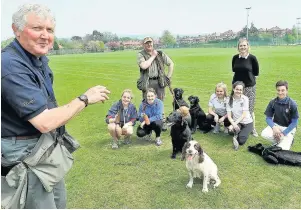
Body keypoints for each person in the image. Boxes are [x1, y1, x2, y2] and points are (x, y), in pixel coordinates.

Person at [1, 4, 110, 209]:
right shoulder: (10, 65)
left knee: (59, 204)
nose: (45, 35)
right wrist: (85, 99)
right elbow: (44, 121)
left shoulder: (36, 59)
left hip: (43, 150)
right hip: (26, 155)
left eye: (49, 30)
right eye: (37, 28)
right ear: (16, 30)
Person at [137, 36, 174, 131]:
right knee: (147, 102)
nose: (149, 44)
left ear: (153, 43)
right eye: (147, 43)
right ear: (143, 44)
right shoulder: (141, 54)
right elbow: (144, 66)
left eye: (150, 42)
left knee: (160, 102)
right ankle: (147, 122)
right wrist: (153, 55)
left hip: (160, 81)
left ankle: (162, 122)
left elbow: (171, 64)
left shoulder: (160, 53)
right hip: (147, 82)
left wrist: (168, 77)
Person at [231, 38, 259, 137]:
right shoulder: (235, 58)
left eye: (244, 45)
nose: (243, 47)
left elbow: (256, 72)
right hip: (236, 87)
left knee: (249, 109)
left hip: (249, 87)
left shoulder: (252, 58)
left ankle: (253, 128)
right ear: (238, 47)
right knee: (236, 107)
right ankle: (236, 126)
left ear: (248, 46)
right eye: (241, 45)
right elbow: (234, 70)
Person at [261, 80, 299, 150]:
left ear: (286, 91)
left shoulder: (292, 104)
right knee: (264, 134)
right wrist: (274, 127)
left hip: (288, 128)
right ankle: (281, 140)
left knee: (283, 149)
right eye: (278, 90)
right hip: (277, 126)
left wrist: (284, 133)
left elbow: (295, 122)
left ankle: (287, 139)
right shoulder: (272, 102)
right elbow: (268, 118)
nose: (280, 92)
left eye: (282, 90)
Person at [226, 81, 254, 150]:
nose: (238, 91)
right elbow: (229, 116)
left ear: (243, 90)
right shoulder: (228, 100)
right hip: (238, 122)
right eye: (237, 89)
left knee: (241, 141)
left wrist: (233, 124)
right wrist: (233, 124)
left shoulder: (245, 99)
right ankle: (238, 131)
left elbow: (243, 115)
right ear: (233, 89)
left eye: (240, 90)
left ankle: (249, 130)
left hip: (247, 122)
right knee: (230, 132)